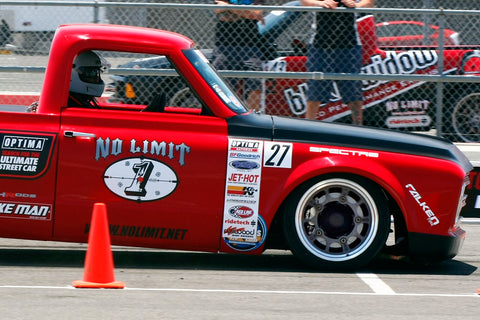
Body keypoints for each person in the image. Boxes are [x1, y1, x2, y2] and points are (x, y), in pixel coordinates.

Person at [300, 0, 374, 125]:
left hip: (349, 45)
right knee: (315, 91)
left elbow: (369, 2)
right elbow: (304, 2)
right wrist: (321, 3)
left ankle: (358, 126)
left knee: (353, 92)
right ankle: (309, 126)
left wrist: (356, 5)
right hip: (320, 45)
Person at [213, 0, 264, 111]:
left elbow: (255, 13)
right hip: (224, 46)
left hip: (250, 46)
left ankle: (253, 120)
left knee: (254, 85)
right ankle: (228, 116)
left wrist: (228, 8)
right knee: (222, 86)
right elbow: (219, 11)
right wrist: (245, 12)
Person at [27, 50, 107, 112]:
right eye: (91, 73)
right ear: (71, 73)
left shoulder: (78, 101)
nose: (96, 78)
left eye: (97, 72)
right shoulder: (70, 105)